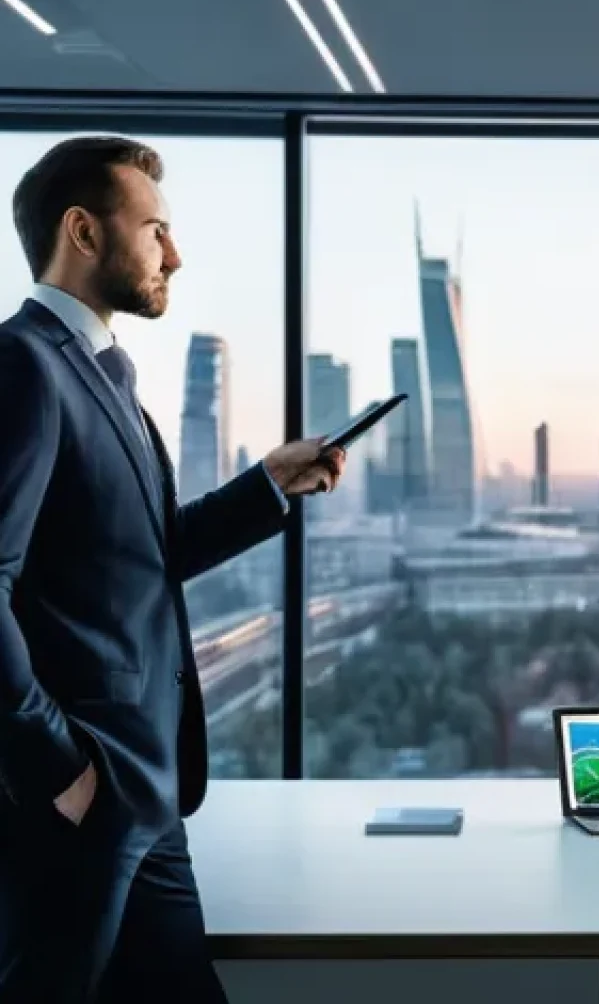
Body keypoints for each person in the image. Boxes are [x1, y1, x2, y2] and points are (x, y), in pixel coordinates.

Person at [0, 136, 346, 1003]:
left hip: (144, 799)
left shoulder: (104, 375)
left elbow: (141, 560)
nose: (175, 254)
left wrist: (268, 486)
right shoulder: (25, 367)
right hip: (86, 798)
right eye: (156, 229)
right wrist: (63, 772)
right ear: (82, 231)